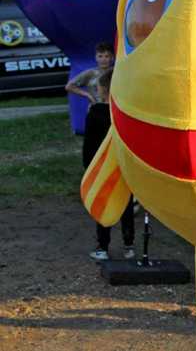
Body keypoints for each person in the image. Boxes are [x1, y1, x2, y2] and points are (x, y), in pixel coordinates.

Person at [66, 48, 136, 261]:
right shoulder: (125, 113)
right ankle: (129, 247)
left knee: (103, 204)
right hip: (124, 167)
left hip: (103, 166)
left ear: (103, 90)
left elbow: (89, 145)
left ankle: (103, 248)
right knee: (125, 206)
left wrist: (88, 168)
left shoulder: (95, 114)